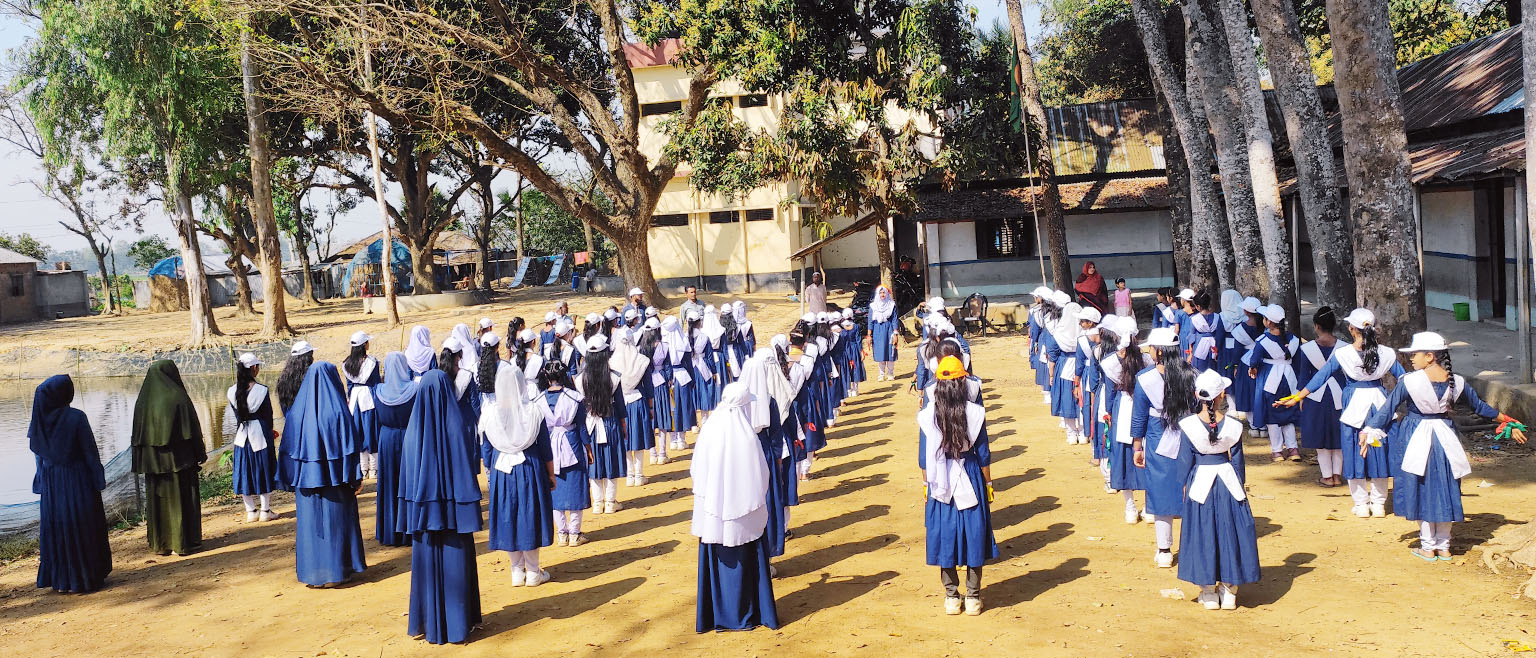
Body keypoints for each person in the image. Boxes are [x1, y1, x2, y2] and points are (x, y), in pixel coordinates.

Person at [1361, 332, 1525, 560]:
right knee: (1446, 487)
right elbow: (1480, 407)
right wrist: (1508, 420)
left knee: (1420, 488)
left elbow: (1387, 410)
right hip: (1446, 439)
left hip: (1415, 437)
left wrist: (1368, 430)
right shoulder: (1457, 382)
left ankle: (1428, 546)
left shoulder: (1409, 381)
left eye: (1415, 354)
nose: (1411, 358)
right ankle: (1444, 545)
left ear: (1430, 356)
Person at [1280, 308, 1406, 518]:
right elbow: (1404, 379)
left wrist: (1297, 397)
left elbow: (1321, 377)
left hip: (1353, 409)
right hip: (1380, 407)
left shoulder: (1344, 354)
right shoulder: (1386, 353)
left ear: (1351, 329)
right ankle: (1378, 504)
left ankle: (1361, 504)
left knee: (1354, 453)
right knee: (1378, 452)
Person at [399, 370, 483, 644]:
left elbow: (407, 484)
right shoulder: (457, 427)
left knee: (426, 566)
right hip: (453, 517)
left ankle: (427, 623)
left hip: (425, 517)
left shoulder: (412, 433)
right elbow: (466, 472)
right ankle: (459, 625)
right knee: (456, 562)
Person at [692, 382, 780, 632]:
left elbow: (696, 470)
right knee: (746, 560)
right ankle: (748, 615)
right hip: (744, 518)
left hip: (712, 516)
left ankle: (718, 617)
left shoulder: (708, 430)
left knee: (718, 561)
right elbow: (761, 476)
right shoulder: (747, 437)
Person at [279, 361, 367, 587]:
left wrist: (291, 478)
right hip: (336, 483)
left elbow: (287, 449)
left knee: (311, 527)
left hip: (306, 485)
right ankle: (338, 572)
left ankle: (313, 574)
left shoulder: (296, 413)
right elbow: (349, 448)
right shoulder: (338, 412)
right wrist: (355, 478)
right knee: (336, 524)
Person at [1177, 369, 1259, 610]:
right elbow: (1238, 462)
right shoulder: (1234, 425)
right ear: (1222, 395)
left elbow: (1184, 462)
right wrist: (1240, 487)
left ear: (1197, 395)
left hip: (1200, 483)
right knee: (1230, 532)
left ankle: (1208, 592)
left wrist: (1184, 486)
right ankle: (1230, 591)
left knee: (1203, 533)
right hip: (1228, 482)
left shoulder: (1188, 425)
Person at [920, 355, 996, 616]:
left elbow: (923, 456)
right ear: (963, 381)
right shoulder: (975, 412)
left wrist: (926, 484)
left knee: (945, 534)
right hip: (971, 473)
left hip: (939, 477)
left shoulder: (928, 415)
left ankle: (952, 597)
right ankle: (973, 597)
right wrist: (988, 482)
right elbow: (983, 452)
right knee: (975, 532)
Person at [30, 374, 112, 593]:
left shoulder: (39, 422)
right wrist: (98, 478)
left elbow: (38, 457)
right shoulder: (76, 417)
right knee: (82, 524)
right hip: (78, 480)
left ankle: (62, 580)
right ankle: (85, 578)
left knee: (58, 528)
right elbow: (90, 452)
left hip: (52, 485)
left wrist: (40, 484)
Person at [480, 361, 554, 587]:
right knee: (529, 515)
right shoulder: (533, 411)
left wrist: (491, 475)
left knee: (508, 516)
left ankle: (516, 571)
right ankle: (533, 571)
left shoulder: (490, 414)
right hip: (529, 467)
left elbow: (486, 450)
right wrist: (551, 475)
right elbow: (545, 448)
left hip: (502, 471)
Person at [1131, 327, 1197, 568]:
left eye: (1150, 347)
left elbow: (1139, 415)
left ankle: (1165, 549)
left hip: (1159, 437)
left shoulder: (1144, 378)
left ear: (1159, 351)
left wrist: (1137, 445)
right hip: (1189, 435)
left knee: (1160, 490)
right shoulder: (1192, 374)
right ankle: (1193, 545)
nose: (1148, 351)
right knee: (1191, 489)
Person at [131, 359, 207, 556]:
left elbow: (137, 438)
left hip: (153, 465)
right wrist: (200, 454)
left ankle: (161, 544)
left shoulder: (142, 403)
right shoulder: (178, 398)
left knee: (159, 503)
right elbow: (193, 430)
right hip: (181, 462)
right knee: (182, 499)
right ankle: (184, 542)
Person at [538, 361, 592, 546]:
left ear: (546, 377)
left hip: (549, 447)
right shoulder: (574, 397)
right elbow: (582, 427)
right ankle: (575, 533)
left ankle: (562, 534)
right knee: (576, 487)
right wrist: (588, 448)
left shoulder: (538, 400)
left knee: (555, 491)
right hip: (572, 444)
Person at [1103, 316, 1148, 523]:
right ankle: (1149, 507)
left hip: (1121, 410)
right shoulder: (1146, 359)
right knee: (1146, 453)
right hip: (1144, 409)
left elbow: (1110, 394)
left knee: (1122, 457)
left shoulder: (1110, 363)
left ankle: (1130, 507)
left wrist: (1108, 414)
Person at [1243, 305, 1301, 462]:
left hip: (1270, 379)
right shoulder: (1293, 339)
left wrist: (1252, 368)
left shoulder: (1263, 341)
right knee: (1289, 411)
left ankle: (1277, 450)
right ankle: (1293, 448)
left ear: (1268, 322)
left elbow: (1254, 360)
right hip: (1289, 379)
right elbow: (1297, 361)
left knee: (1272, 414)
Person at [226, 352, 279, 522]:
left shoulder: (231, 391)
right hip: (260, 434)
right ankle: (265, 510)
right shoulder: (262, 390)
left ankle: (251, 511)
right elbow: (268, 415)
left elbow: (238, 417)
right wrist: (270, 432)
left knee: (244, 471)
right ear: (254, 368)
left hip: (242, 436)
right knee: (263, 469)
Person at [1295, 308, 1344, 487]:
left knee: (1320, 437)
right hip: (1340, 395)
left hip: (1315, 395)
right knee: (1338, 437)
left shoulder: (1306, 349)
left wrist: (1300, 397)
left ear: (1316, 326)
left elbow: (1303, 376)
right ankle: (1337, 476)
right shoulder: (1344, 347)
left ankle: (1327, 476)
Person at [578, 335, 627, 514]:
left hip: (590, 425)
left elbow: (580, 407)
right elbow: (620, 405)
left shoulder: (580, 379)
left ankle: (598, 503)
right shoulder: (614, 377)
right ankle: (610, 502)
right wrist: (623, 425)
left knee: (594, 462)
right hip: (610, 422)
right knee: (611, 460)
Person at [374, 352, 418, 546]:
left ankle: (390, 531)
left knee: (389, 484)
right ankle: (410, 530)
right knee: (408, 483)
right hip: (409, 438)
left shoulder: (378, 391)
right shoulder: (413, 390)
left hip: (387, 440)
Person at [615, 331, 655, 485]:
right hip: (638, 401)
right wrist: (650, 407)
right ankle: (639, 474)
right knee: (638, 438)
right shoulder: (641, 360)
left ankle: (629, 475)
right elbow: (649, 386)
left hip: (621, 403)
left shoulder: (612, 362)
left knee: (626, 440)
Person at [342, 332, 382, 480]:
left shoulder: (347, 363)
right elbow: (376, 383)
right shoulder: (372, 362)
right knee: (371, 432)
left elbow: (349, 385)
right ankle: (373, 469)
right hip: (369, 398)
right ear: (364, 345)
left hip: (354, 400)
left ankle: (362, 469)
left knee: (358, 433)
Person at [1047, 299, 1083, 444]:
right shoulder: (1086, 333)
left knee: (1067, 399)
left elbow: (1052, 357)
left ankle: (1071, 433)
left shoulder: (1059, 334)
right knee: (1082, 399)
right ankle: (1083, 432)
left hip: (1063, 367)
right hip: (1083, 368)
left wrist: (1051, 375)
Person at [660, 316, 698, 451]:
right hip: (682, 377)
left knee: (671, 409)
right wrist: (692, 380)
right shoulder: (683, 342)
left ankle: (673, 440)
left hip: (667, 379)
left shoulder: (662, 344)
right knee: (683, 408)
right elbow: (689, 364)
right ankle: (681, 439)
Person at [1186, 291, 1224, 373]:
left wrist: (1190, 354)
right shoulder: (1217, 317)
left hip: (1199, 347)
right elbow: (1220, 335)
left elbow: (1192, 337)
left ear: (1198, 306)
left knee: (1199, 372)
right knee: (1213, 370)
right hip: (1214, 347)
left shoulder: (1194, 319)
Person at [869, 285, 899, 381]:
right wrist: (869, 335)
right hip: (877, 331)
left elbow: (894, 319)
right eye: (880, 293)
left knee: (890, 352)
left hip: (889, 330)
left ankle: (890, 373)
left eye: (884, 293)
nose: (882, 295)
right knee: (880, 352)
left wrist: (895, 333)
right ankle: (881, 374)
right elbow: (870, 321)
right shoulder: (873, 306)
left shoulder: (891, 305)